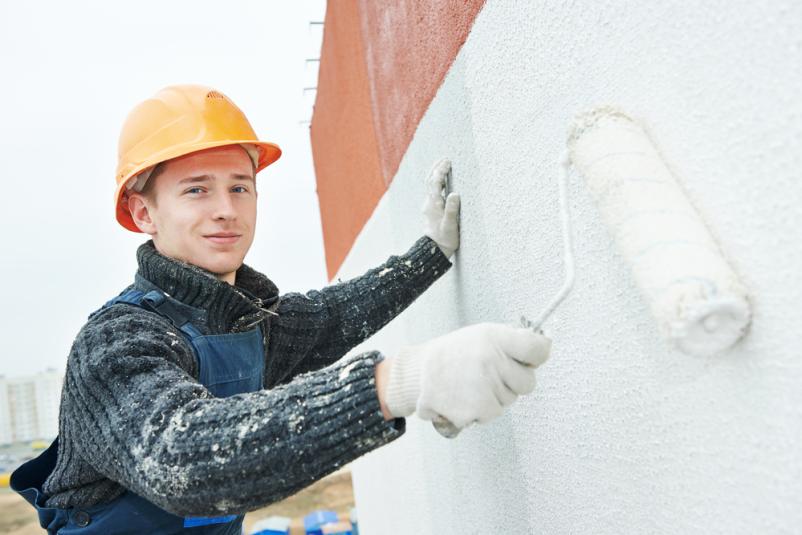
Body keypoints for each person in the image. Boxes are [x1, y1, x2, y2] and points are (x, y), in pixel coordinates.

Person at [11, 84, 551, 534]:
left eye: (240, 187)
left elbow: (337, 313)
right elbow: (181, 458)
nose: (226, 210)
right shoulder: (116, 342)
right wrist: (401, 383)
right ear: (142, 212)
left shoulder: (247, 323)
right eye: (196, 190)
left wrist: (431, 254)